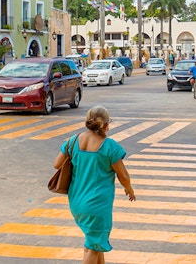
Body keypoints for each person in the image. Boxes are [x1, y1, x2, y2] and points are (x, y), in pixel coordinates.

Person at [53, 106, 135, 264]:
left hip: (77, 202)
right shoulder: (109, 146)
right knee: (93, 246)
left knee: (94, 243)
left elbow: (57, 164)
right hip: (97, 205)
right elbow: (123, 175)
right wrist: (129, 189)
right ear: (106, 125)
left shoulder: (73, 141)